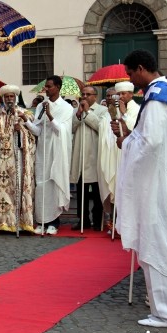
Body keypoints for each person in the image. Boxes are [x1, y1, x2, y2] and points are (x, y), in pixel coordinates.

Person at [115, 49, 167, 328]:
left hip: (158, 179)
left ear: (142, 68)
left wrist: (127, 144)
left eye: (131, 74)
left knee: (158, 243)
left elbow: (152, 141)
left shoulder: (158, 95)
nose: (131, 80)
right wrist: (132, 137)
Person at [0, 84, 36, 234]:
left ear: (16, 98)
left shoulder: (24, 114)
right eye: (7, 97)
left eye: (12, 97)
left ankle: (17, 223)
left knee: (16, 188)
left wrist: (21, 131)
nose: (9, 99)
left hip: (17, 159)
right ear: (3, 98)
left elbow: (33, 138)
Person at [24, 75, 73, 235]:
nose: (46, 89)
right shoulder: (40, 107)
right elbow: (38, 130)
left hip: (57, 151)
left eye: (49, 86)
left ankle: (54, 222)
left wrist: (50, 115)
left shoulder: (66, 108)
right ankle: (41, 221)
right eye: (45, 86)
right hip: (43, 150)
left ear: (58, 87)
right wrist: (26, 122)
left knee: (53, 184)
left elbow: (61, 130)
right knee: (41, 184)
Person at [70, 86, 107, 231]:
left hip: (94, 153)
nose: (84, 97)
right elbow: (71, 128)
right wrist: (79, 114)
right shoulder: (76, 110)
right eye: (82, 94)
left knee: (97, 190)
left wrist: (86, 113)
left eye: (88, 94)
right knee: (81, 189)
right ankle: (83, 219)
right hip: (80, 154)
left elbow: (100, 126)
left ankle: (98, 219)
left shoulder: (102, 111)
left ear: (95, 97)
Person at [97, 87, 121, 231]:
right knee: (109, 187)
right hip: (108, 154)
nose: (110, 98)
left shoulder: (123, 114)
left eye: (113, 96)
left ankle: (120, 222)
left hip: (119, 155)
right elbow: (101, 129)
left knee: (119, 187)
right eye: (108, 96)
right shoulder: (104, 115)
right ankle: (111, 220)